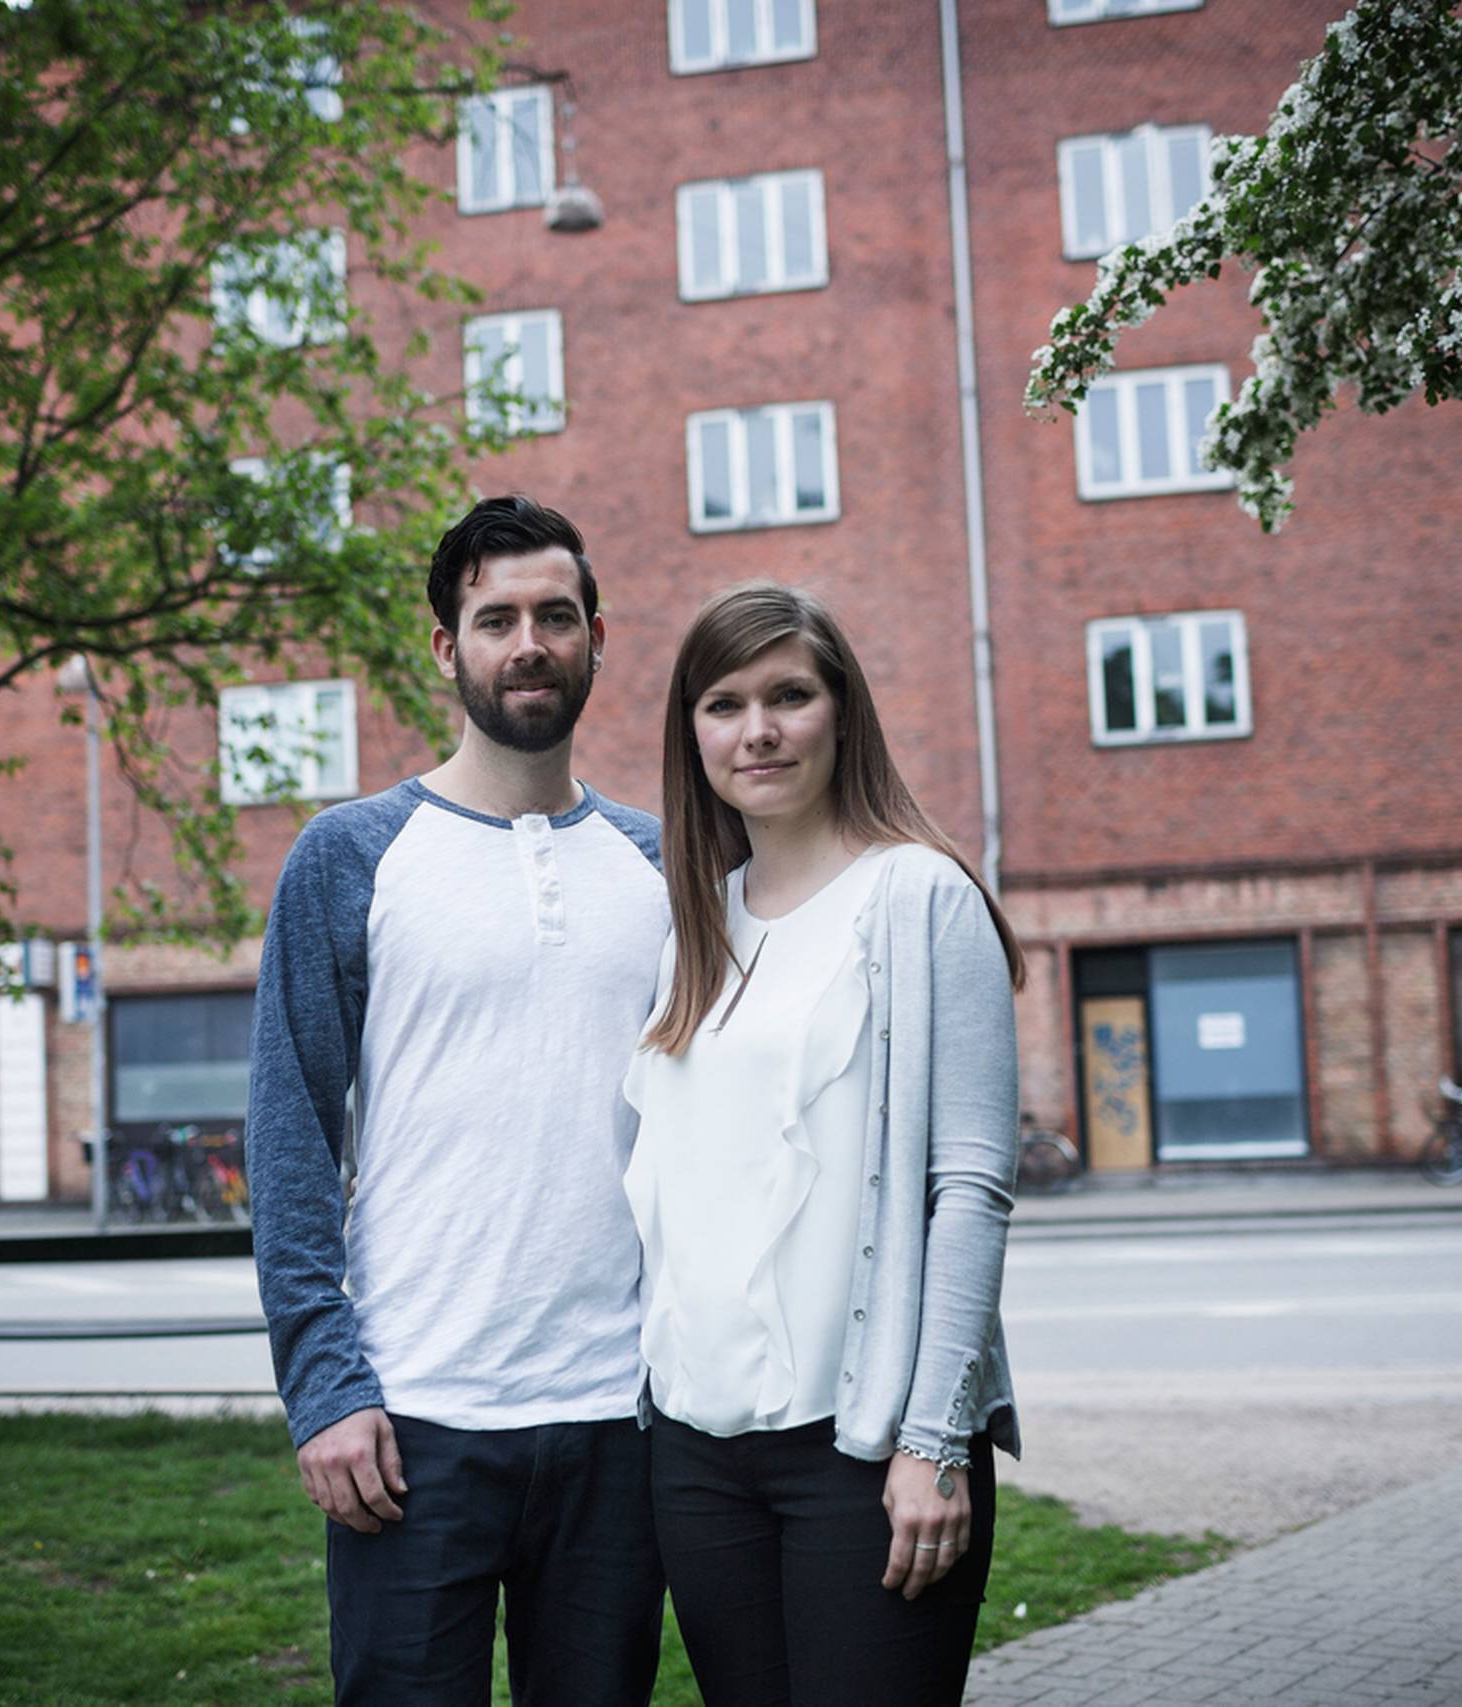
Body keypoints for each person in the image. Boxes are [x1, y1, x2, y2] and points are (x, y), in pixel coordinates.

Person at [245, 496, 669, 1706]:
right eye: (495, 619)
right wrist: (324, 1388)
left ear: (597, 634)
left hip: (618, 1420)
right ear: (447, 647)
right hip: (409, 1424)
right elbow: (288, 1141)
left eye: (553, 615)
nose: (526, 642)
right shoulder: (350, 854)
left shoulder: (661, 862)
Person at [622, 579, 1025, 1707]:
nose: (757, 730)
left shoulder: (919, 899)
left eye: (789, 695)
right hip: (696, 1460)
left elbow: (971, 1187)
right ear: (690, 732)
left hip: (865, 1455)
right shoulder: (696, 926)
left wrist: (937, 1440)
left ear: (841, 713)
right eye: (723, 703)